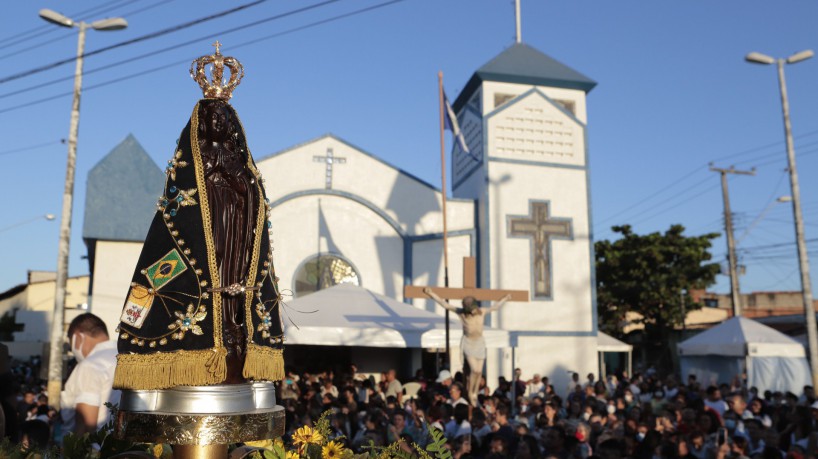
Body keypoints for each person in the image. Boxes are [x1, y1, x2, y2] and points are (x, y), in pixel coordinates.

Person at [423, 288, 511, 406]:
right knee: (474, 369)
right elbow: (445, 304)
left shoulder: (482, 311)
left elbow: (495, 307)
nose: (472, 311)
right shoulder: (462, 314)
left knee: (479, 371)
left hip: (479, 342)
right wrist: (431, 293)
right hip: (468, 342)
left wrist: (505, 299)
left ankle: (474, 392)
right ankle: (471, 392)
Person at [62, 313, 120, 435]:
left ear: (78, 337)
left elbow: (85, 425)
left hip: (98, 450)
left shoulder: (90, 365)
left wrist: (75, 453)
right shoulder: (129, 358)